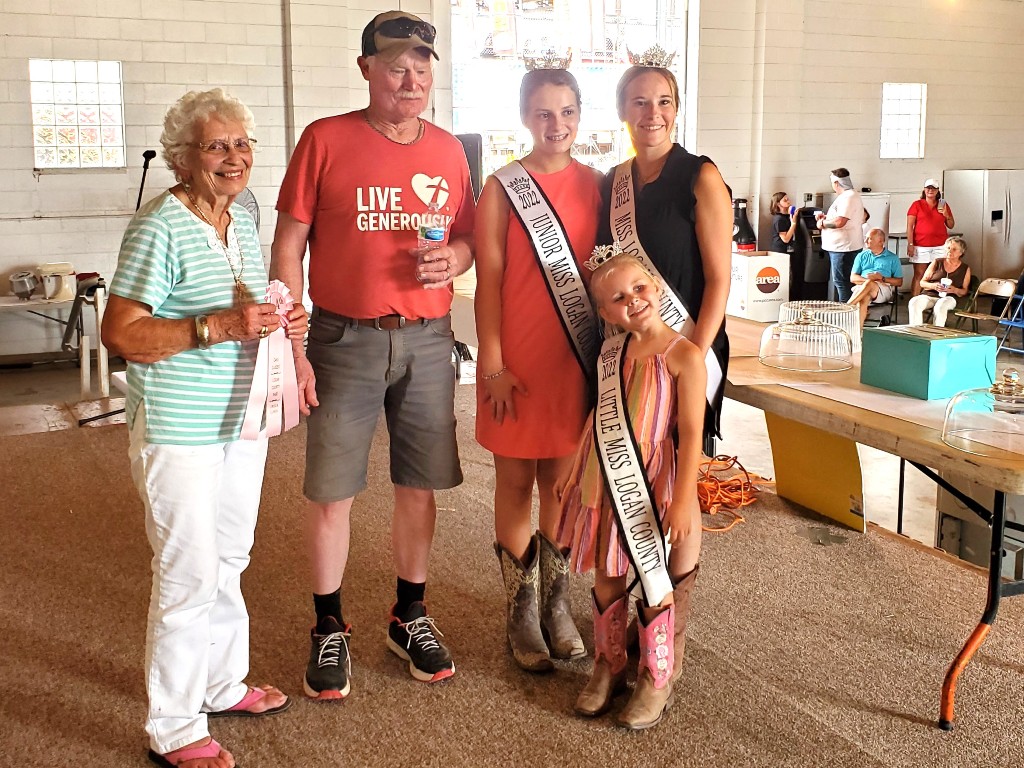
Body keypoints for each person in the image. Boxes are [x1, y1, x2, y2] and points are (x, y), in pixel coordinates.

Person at [271, 10, 476, 699]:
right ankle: (328, 624)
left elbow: (468, 238)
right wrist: (292, 340)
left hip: (428, 338)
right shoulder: (325, 139)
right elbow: (288, 246)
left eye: (421, 68)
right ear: (366, 70)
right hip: (343, 338)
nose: (410, 80)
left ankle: (409, 613)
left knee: (420, 483)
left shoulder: (448, 151)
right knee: (332, 489)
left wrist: (456, 259)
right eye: (395, 67)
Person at [102, 88, 307, 768]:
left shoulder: (241, 218)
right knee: (187, 573)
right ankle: (174, 725)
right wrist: (215, 326)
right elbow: (121, 333)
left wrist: (278, 320)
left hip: (239, 421)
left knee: (230, 558)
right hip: (178, 427)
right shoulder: (159, 225)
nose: (233, 157)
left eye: (242, 144)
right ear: (182, 158)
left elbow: (244, 308)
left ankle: (221, 683)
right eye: (216, 146)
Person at [474, 66, 600, 671]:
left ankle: (556, 603)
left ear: (579, 115)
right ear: (526, 116)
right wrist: (492, 362)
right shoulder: (502, 187)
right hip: (515, 361)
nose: (557, 124)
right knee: (514, 483)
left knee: (560, 487)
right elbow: (489, 280)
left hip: (572, 360)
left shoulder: (598, 186)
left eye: (567, 112)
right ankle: (520, 611)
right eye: (544, 113)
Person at [555, 250, 706, 730]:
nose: (633, 301)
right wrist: (573, 468)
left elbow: (692, 435)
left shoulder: (684, 355)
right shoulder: (609, 354)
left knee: (655, 575)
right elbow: (598, 415)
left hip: (652, 479)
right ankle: (609, 663)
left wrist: (683, 498)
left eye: (639, 289)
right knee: (607, 571)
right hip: (603, 474)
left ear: (656, 289)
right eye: (619, 298)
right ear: (605, 313)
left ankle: (656, 675)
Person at [596, 57, 732, 443]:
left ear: (675, 109)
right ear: (622, 110)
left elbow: (719, 280)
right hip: (631, 348)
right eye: (640, 102)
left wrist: (692, 358)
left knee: (679, 462)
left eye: (664, 101)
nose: (653, 113)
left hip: (687, 343)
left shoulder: (700, 176)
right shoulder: (613, 182)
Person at [815, 168, 865, 303]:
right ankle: (849, 309)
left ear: (836, 183)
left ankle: (847, 310)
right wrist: (827, 218)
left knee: (843, 282)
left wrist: (822, 223)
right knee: (843, 282)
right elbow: (839, 218)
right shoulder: (847, 196)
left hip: (843, 248)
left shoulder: (849, 197)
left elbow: (840, 222)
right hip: (842, 247)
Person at [906, 178, 955, 298]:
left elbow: (951, 225)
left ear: (938, 190)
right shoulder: (917, 204)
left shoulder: (943, 204)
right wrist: (910, 244)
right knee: (919, 274)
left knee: (939, 274)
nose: (930, 190)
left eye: (933, 188)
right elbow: (909, 226)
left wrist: (946, 214)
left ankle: (936, 300)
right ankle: (914, 301)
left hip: (940, 245)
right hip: (921, 245)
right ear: (924, 190)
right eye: (928, 188)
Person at [908, 236, 972, 326]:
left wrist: (954, 290)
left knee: (941, 306)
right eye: (948, 248)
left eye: (954, 249)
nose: (950, 251)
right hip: (930, 295)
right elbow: (922, 282)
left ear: (961, 252)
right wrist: (933, 286)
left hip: (949, 297)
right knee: (914, 302)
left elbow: (964, 291)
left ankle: (937, 331)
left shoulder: (965, 268)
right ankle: (916, 330)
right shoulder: (937, 262)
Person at [847, 227, 903, 327]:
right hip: (862, 287)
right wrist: (869, 280)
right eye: (866, 238)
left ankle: (847, 306)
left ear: (880, 241)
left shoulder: (893, 258)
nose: (865, 241)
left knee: (869, 285)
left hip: (883, 288)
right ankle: (858, 332)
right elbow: (853, 278)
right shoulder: (861, 255)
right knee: (864, 298)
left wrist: (882, 278)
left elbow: (899, 282)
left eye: (869, 238)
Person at [768, 191, 801, 256]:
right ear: (778, 204)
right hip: (781, 251)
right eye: (785, 200)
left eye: (788, 199)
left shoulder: (787, 216)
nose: (788, 201)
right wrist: (793, 224)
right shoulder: (779, 219)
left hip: (789, 248)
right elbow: (785, 239)